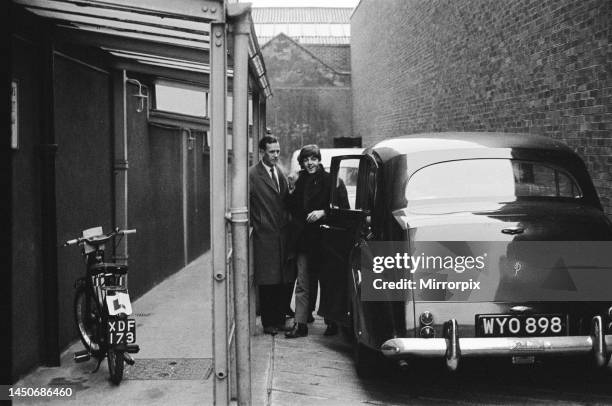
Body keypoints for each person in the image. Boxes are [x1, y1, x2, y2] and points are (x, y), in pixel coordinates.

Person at [285, 144, 334, 338]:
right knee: (303, 283)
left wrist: (324, 212)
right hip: (304, 241)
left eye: (313, 159)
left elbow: (341, 208)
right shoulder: (300, 180)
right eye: (305, 160)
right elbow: (290, 207)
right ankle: (301, 323)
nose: (309, 163)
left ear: (319, 159)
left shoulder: (331, 180)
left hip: (326, 240)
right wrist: (291, 187)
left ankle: (332, 321)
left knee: (328, 282)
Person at [249, 135, 295, 335]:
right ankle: (269, 322)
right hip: (265, 235)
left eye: (277, 151)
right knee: (268, 280)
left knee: (283, 279)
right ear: (262, 152)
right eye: (272, 151)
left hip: (282, 234)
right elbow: (245, 202)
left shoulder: (280, 172)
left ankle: (279, 318)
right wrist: (257, 223)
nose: (276, 155)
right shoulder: (252, 175)